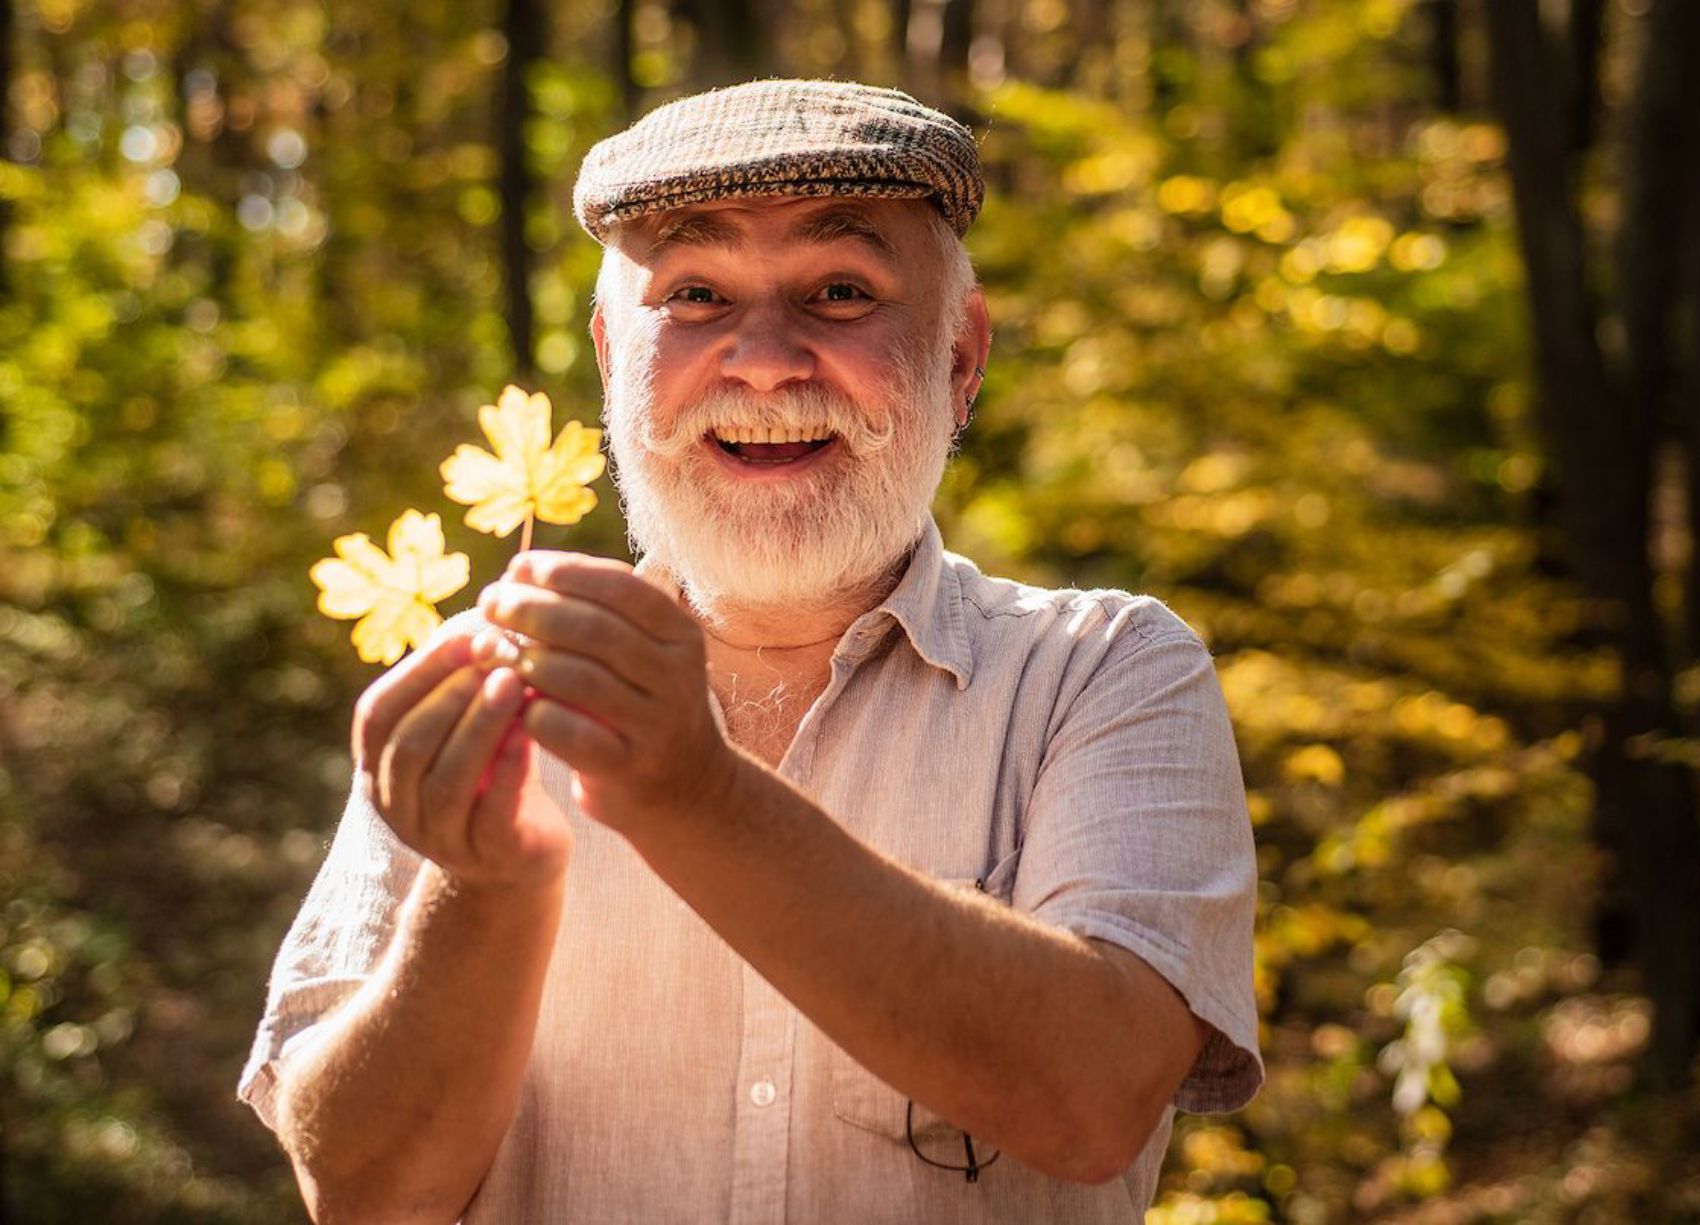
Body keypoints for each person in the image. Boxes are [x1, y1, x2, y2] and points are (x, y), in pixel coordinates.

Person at [239, 78, 1262, 1224]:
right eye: (693, 294)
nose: (765, 360)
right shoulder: (480, 695)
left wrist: (691, 792)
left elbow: (1094, 1099)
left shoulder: (1102, 672)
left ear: (961, 354)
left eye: (841, 291)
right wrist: (484, 885)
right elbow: (361, 1193)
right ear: (611, 355)